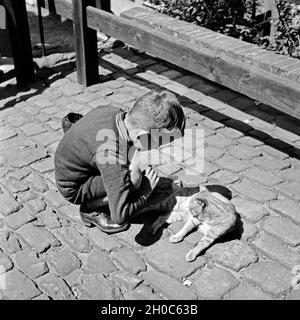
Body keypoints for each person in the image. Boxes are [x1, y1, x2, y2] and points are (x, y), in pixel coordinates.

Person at [54, 90, 185, 234]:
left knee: (134, 168)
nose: (160, 146)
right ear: (143, 135)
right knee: (134, 179)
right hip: (76, 187)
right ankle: (91, 208)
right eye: (160, 142)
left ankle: (122, 185)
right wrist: (144, 192)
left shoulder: (116, 113)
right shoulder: (110, 155)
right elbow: (120, 217)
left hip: (85, 161)